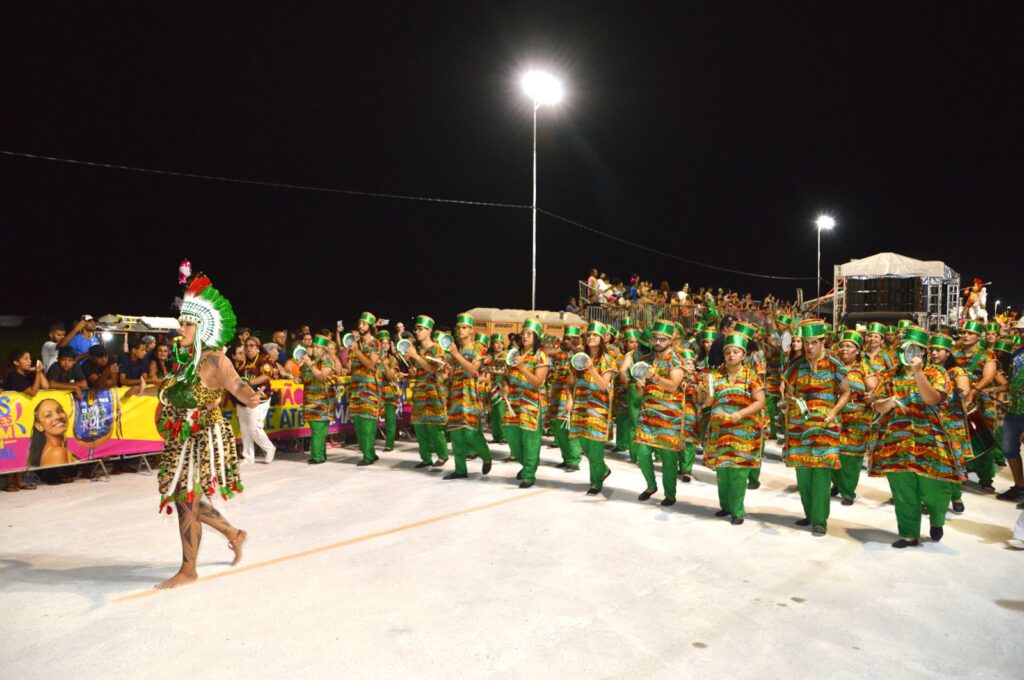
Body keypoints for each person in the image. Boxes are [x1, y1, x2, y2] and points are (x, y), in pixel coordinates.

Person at [150, 274, 260, 588]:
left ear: (201, 328)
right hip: (179, 437)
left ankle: (188, 571)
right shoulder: (181, 360)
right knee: (185, 497)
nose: (180, 329)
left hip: (202, 438)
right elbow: (169, 390)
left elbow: (237, 385)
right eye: (180, 323)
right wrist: (145, 393)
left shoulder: (215, 360)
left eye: (187, 324)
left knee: (186, 498)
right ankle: (234, 533)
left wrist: (251, 395)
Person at [871, 325, 965, 548]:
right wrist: (888, 402)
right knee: (903, 490)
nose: (908, 353)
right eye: (905, 348)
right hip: (896, 440)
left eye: (914, 349)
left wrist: (918, 373)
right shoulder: (890, 374)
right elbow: (876, 405)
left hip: (930, 440)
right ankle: (908, 534)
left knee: (934, 491)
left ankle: (937, 518)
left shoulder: (937, 373)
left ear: (923, 352)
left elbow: (932, 399)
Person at [782, 319, 851, 536]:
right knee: (803, 475)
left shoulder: (834, 364)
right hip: (800, 426)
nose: (809, 347)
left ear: (823, 341)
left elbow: (846, 392)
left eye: (813, 342)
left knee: (821, 474)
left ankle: (820, 520)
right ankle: (810, 514)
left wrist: (833, 412)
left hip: (825, 427)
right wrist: (791, 400)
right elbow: (787, 392)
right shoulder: (795, 365)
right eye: (805, 342)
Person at [703, 333, 766, 525]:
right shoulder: (715, 377)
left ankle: (738, 511)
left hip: (743, 432)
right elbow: (708, 402)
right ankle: (725, 506)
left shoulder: (751, 376)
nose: (731, 355)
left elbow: (760, 402)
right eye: (728, 352)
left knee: (738, 472)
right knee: (723, 472)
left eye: (736, 352)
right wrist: (704, 394)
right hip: (721, 431)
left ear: (743, 355)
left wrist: (741, 414)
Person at [632, 320, 686, 506]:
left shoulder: (676, 361)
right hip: (648, 415)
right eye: (655, 338)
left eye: (662, 340)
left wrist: (653, 376)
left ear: (671, 341)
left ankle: (670, 494)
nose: (657, 343)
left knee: (669, 460)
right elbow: (640, 393)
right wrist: (640, 386)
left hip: (669, 418)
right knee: (642, 453)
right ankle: (651, 485)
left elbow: (672, 386)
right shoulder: (646, 359)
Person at [443, 314, 493, 480]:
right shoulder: (458, 349)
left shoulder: (477, 346)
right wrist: (449, 366)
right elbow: (451, 377)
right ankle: (460, 469)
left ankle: (486, 456)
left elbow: (473, 370)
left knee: (471, 433)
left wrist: (457, 356)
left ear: (471, 330)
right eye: (458, 328)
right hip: (455, 395)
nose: (460, 331)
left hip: (470, 396)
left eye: (464, 327)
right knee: (456, 434)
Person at [831, 330, 878, 505]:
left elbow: (873, 388)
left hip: (857, 417)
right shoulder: (832, 365)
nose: (844, 349)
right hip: (834, 414)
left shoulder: (863, 368)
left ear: (857, 350)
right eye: (842, 345)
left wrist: (871, 396)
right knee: (831, 451)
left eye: (849, 346)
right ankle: (837, 483)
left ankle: (848, 491)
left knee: (850, 457)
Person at [570, 321, 617, 494]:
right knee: (585, 445)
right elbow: (572, 381)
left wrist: (591, 368)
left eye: (595, 335)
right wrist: (570, 399)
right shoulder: (579, 358)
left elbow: (603, 385)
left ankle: (595, 482)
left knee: (595, 447)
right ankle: (603, 469)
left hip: (598, 409)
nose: (591, 337)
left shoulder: (607, 359)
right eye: (589, 335)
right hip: (581, 406)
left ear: (602, 339)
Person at [953, 319, 999, 492]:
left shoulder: (987, 356)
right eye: (964, 332)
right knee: (958, 438)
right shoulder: (953, 353)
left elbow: (988, 378)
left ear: (979, 337)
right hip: (956, 401)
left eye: (970, 333)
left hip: (978, 402)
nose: (965, 335)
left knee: (982, 440)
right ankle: (961, 471)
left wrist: (973, 391)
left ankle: (986, 478)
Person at [505, 319, 550, 488]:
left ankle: (529, 474)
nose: (524, 336)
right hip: (515, 400)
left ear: (536, 337)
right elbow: (507, 375)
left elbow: (538, 382)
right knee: (510, 433)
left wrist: (523, 368)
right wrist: (505, 387)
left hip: (532, 402)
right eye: (523, 333)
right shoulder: (514, 353)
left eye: (529, 333)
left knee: (530, 439)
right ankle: (527, 465)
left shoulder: (540, 355)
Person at [405, 315, 449, 468]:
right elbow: (421, 370)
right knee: (419, 426)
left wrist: (416, 357)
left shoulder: (436, 348)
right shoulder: (418, 350)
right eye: (416, 329)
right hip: (419, 392)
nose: (416, 332)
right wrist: (413, 371)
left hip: (432, 392)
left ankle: (443, 455)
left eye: (420, 329)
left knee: (433, 426)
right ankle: (426, 458)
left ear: (429, 331)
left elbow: (432, 369)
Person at [2, 350, 47, 492]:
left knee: (24, 448)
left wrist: (38, 372)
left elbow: (45, 386)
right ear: (16, 362)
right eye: (26, 359)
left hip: (25, 417)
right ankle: (9, 481)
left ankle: (20, 480)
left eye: (30, 358)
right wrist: (38, 374)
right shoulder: (14, 377)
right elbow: (33, 392)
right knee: (14, 448)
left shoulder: (26, 375)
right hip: (12, 418)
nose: (29, 361)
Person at [345, 312, 382, 466]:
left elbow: (370, 364)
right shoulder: (357, 344)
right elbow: (350, 367)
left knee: (367, 424)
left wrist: (357, 352)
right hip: (356, 389)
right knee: (359, 424)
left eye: (364, 324)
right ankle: (371, 453)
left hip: (369, 388)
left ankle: (367, 456)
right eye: (360, 323)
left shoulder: (375, 343)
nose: (360, 326)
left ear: (370, 327)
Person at [548, 326, 582, 472]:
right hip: (556, 394)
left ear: (576, 340)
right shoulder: (560, 353)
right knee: (559, 428)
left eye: (569, 338)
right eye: (565, 337)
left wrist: (571, 399)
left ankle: (574, 459)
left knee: (569, 426)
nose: (565, 340)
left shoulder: (580, 355)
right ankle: (566, 458)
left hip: (571, 395)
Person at [238, 336, 276, 464]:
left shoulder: (264, 359)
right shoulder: (243, 361)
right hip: (243, 399)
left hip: (260, 398)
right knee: (244, 428)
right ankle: (248, 456)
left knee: (254, 427)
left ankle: (269, 448)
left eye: (252, 345)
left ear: (258, 348)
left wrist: (249, 383)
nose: (248, 348)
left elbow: (266, 376)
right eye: (246, 346)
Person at [995, 336, 1024, 505]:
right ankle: (1019, 487)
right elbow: (1012, 383)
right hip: (1014, 410)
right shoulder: (1016, 355)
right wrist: (996, 388)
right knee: (1008, 449)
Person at [301, 335, 335, 464]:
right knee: (318, 430)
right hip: (309, 401)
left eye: (317, 348)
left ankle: (317, 456)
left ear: (324, 350)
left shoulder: (328, 361)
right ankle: (321, 454)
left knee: (318, 430)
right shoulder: (311, 361)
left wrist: (310, 364)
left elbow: (321, 377)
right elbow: (303, 377)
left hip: (322, 402)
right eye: (313, 347)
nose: (314, 350)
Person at [376, 331, 402, 452]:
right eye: (383, 343)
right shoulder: (373, 358)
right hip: (374, 392)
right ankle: (367, 443)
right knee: (371, 420)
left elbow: (391, 377)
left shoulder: (392, 359)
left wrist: (386, 366)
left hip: (389, 393)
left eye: (387, 343)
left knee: (390, 420)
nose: (385, 345)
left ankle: (389, 444)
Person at [483, 333, 509, 445]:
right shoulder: (488, 357)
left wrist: (491, 370)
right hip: (491, 386)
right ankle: (496, 436)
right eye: (496, 343)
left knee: (501, 412)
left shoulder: (507, 355)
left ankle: (504, 436)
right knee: (493, 413)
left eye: (501, 343)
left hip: (502, 386)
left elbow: (507, 371)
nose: (499, 345)